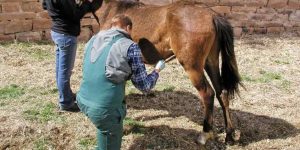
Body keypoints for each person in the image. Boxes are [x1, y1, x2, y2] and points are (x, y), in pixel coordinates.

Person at [76, 14, 166, 150]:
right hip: (104, 109)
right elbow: (145, 86)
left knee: (104, 129)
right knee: (109, 131)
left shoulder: (94, 38)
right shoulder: (131, 47)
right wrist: (157, 70)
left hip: (82, 99)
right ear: (128, 28)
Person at [43, 0, 103, 111]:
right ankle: (66, 103)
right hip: (66, 35)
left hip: (57, 31)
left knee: (60, 69)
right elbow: (75, 15)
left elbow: (45, 5)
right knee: (65, 72)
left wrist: (61, 13)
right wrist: (85, 4)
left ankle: (65, 95)